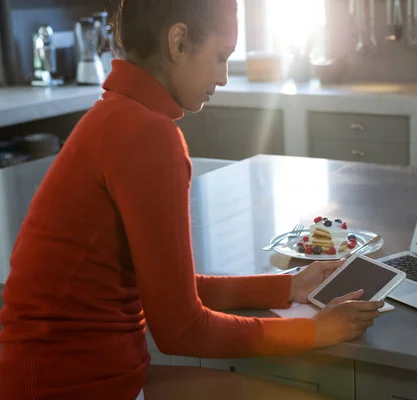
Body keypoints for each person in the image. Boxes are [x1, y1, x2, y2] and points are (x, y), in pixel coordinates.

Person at [0, 1, 384, 399]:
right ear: (179, 42)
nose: (222, 77)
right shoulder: (147, 135)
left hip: (64, 380)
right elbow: (181, 329)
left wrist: (289, 286)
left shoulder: (115, 115)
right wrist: (314, 331)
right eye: (220, 58)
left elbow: (170, 291)